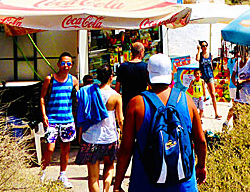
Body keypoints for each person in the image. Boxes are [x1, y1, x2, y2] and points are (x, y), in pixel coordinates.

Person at [113, 53, 207, 192]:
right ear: (171, 74)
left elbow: (126, 150)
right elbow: (201, 141)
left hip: (145, 183)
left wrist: (117, 184)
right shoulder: (186, 100)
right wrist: (201, 166)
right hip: (183, 184)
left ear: (148, 75)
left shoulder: (136, 104)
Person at [77, 65, 123, 192]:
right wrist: (124, 136)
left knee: (93, 178)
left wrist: (80, 134)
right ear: (111, 78)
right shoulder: (116, 96)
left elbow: (82, 115)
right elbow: (120, 120)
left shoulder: (88, 92)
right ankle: (106, 190)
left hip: (90, 138)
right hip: (109, 138)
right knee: (109, 167)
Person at [40, 52, 79, 188]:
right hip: (52, 120)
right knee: (50, 148)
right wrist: (44, 115)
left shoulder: (73, 80)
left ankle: (62, 175)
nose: (66, 66)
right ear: (58, 64)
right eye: (63, 63)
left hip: (68, 120)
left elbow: (75, 99)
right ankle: (42, 173)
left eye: (69, 63)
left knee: (65, 149)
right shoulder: (50, 79)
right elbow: (42, 97)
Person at [225, 46, 250, 127]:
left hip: (249, 93)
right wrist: (235, 83)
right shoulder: (237, 63)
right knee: (236, 111)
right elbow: (232, 75)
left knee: (248, 112)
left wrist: (244, 81)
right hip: (239, 92)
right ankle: (235, 128)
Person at [116, 42, 149, 111]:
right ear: (141, 52)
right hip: (142, 102)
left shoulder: (123, 67)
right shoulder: (146, 67)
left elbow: (117, 88)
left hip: (127, 103)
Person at [195, 41, 221, 119]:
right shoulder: (200, 55)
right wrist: (199, 50)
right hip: (202, 76)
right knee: (201, 95)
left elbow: (212, 66)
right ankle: (201, 112)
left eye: (206, 45)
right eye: (203, 46)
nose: (205, 47)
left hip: (209, 75)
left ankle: (216, 113)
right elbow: (197, 59)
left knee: (213, 94)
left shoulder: (210, 55)